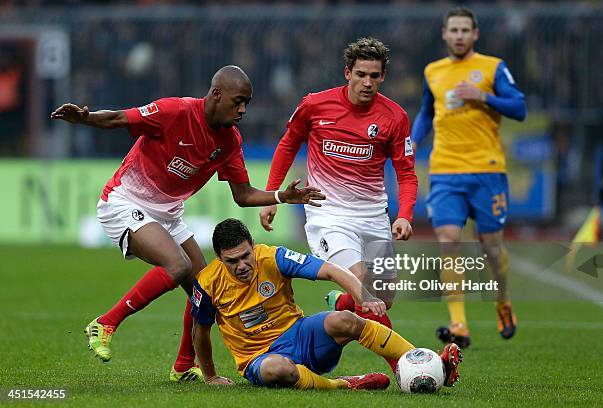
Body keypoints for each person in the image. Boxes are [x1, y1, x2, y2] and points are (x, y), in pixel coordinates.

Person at [50, 65, 325, 383]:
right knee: (178, 266)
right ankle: (107, 322)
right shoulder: (175, 111)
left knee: (203, 287)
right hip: (124, 202)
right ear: (216, 94)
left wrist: (281, 196)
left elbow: (243, 194)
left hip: (167, 213)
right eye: (238, 101)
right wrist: (84, 118)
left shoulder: (230, 141)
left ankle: (183, 365)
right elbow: (119, 118)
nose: (243, 110)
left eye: (246, 103)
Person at [258, 37, 418, 371]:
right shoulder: (315, 105)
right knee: (366, 293)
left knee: (383, 297)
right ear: (347, 72)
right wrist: (272, 196)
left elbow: (406, 173)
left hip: (373, 214)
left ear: (383, 77)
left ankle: (340, 302)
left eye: (375, 76)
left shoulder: (395, 117)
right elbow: (288, 145)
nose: (367, 82)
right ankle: (407, 364)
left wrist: (404, 215)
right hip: (327, 213)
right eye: (361, 74)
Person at [191, 218, 462, 389]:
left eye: (245, 256)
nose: (241, 265)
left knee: (345, 319)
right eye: (232, 261)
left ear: (253, 245)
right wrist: (211, 376)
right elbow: (200, 331)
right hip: (258, 359)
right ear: (218, 257)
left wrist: (362, 295)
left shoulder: (272, 257)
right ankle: (344, 385)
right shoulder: (207, 282)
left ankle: (424, 362)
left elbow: (331, 270)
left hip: (301, 335)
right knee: (279, 369)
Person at [411, 7, 527, 348]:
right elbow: (426, 112)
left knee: (491, 248)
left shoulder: (493, 67)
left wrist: (484, 96)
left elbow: (519, 108)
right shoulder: (433, 71)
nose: (459, 35)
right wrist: (414, 141)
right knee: (448, 241)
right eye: (454, 30)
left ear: (475, 34)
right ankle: (458, 322)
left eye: (465, 30)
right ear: (444, 34)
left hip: (487, 170)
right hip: (445, 169)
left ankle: (502, 302)